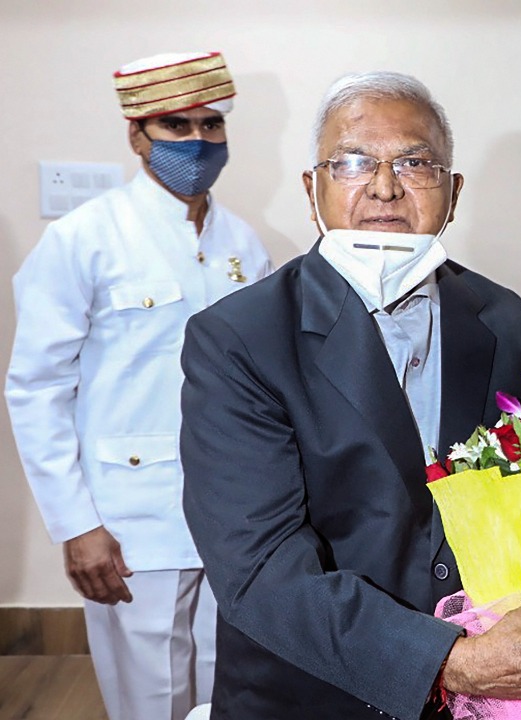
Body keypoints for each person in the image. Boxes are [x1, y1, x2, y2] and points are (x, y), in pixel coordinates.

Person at [179, 71, 521, 720]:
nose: (384, 187)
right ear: (312, 188)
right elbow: (261, 567)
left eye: (415, 162)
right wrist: (448, 661)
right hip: (312, 694)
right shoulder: (240, 336)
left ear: (452, 192)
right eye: (353, 162)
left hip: (485, 691)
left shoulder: (499, 316)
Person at [4, 52, 272, 720]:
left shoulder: (247, 246)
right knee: (149, 700)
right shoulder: (82, 240)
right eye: (175, 125)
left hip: (233, 518)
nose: (198, 141)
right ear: (136, 136)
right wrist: (76, 526)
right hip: (129, 526)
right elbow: (36, 388)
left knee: (231, 689)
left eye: (211, 124)